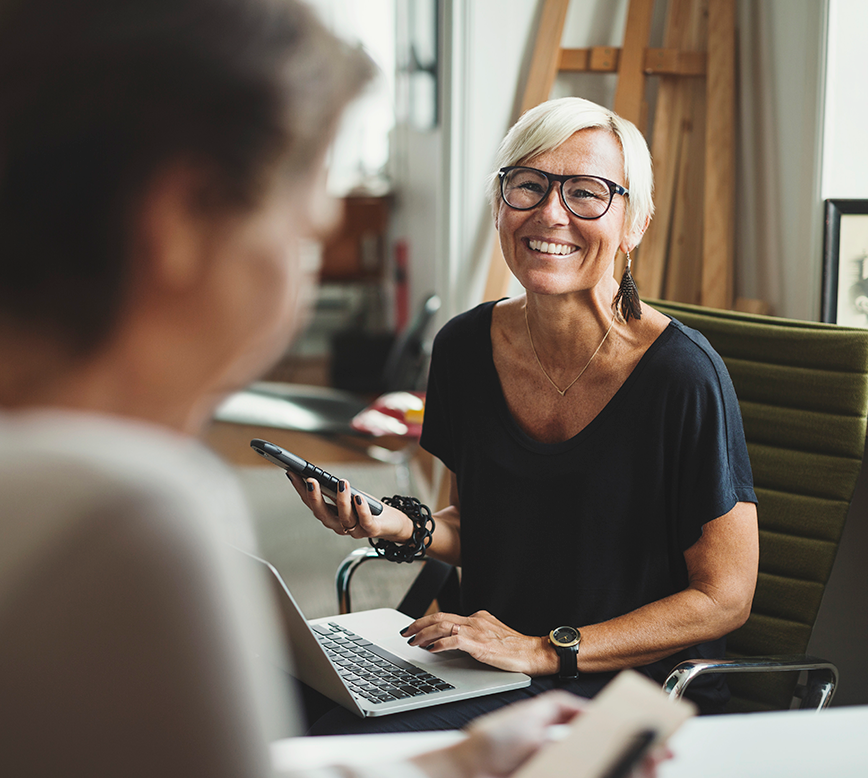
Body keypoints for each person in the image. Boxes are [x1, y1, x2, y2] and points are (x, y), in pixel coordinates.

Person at [0, 0, 588, 775]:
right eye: (306, 233)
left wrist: (449, 764)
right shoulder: (121, 516)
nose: (300, 278)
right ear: (179, 219)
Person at [293, 97, 760, 733]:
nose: (549, 214)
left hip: (624, 684)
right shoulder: (463, 347)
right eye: (529, 185)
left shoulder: (683, 377)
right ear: (499, 202)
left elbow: (724, 597)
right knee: (271, 697)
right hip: (484, 655)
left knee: (346, 742)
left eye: (588, 193)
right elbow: (493, 526)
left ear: (635, 223)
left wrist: (544, 650)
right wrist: (403, 528)